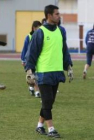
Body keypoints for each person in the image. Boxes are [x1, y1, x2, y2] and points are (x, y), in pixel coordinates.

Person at [25, 5, 73, 138]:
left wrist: (68, 66)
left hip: (57, 72)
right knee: (47, 100)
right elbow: (32, 52)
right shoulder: (40, 32)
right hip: (44, 73)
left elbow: (64, 51)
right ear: (49, 16)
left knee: (49, 102)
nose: (59, 16)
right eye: (57, 14)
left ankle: (39, 126)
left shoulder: (60, 31)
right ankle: (51, 129)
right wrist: (30, 71)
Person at [21, 21, 41, 98]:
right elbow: (24, 49)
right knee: (30, 76)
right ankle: (31, 87)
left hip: (37, 60)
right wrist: (23, 60)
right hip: (29, 60)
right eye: (38, 28)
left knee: (36, 75)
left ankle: (37, 92)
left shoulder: (40, 37)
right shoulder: (28, 37)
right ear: (34, 28)